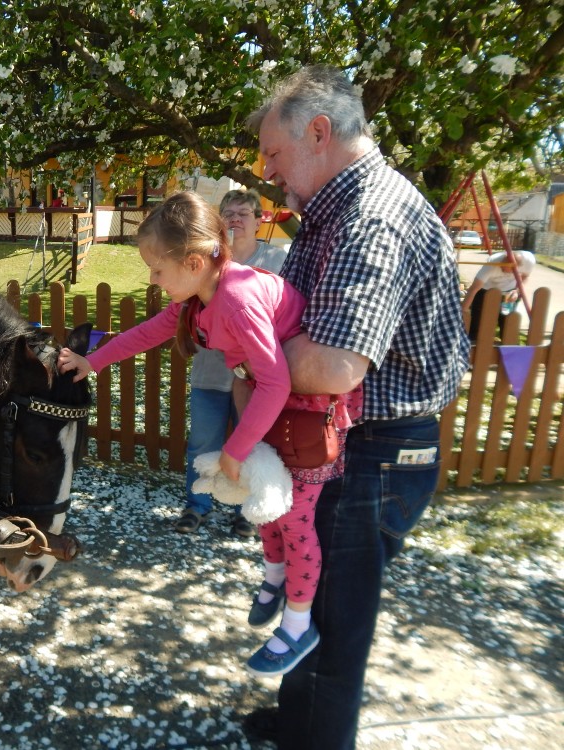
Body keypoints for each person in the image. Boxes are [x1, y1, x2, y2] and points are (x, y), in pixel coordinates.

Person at [245, 65, 470, 749]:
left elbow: (336, 364)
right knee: (313, 602)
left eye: (276, 155)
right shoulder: (338, 207)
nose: (271, 173)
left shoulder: (372, 215)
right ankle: (297, 721)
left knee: (336, 625)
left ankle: (315, 738)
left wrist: (245, 359)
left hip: (372, 452)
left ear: (319, 133)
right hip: (355, 445)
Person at [57, 191, 360, 677]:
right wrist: (91, 361)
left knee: (294, 517)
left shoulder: (237, 299)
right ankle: (275, 577)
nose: (152, 280)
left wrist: (235, 450)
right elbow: (149, 332)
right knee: (264, 505)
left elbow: (278, 379)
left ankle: (300, 625)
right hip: (270, 410)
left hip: (303, 415)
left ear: (195, 261)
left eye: (157, 269)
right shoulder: (204, 296)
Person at [178, 189, 287, 537]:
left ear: (259, 219)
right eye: (229, 213)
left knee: (254, 444)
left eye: (244, 212)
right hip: (209, 374)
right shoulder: (207, 261)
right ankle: (197, 507)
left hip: (257, 380)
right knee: (202, 444)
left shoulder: (277, 259)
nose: (236, 218)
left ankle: (247, 512)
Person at [461, 250, 536, 341]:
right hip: (486, 291)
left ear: (516, 268)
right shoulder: (492, 264)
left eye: (504, 268)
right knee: (478, 322)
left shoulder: (529, 260)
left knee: (507, 322)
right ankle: (474, 344)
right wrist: (462, 311)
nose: (501, 268)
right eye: (501, 265)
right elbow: (473, 289)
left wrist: (517, 291)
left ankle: (508, 347)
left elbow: (525, 276)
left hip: (509, 293)